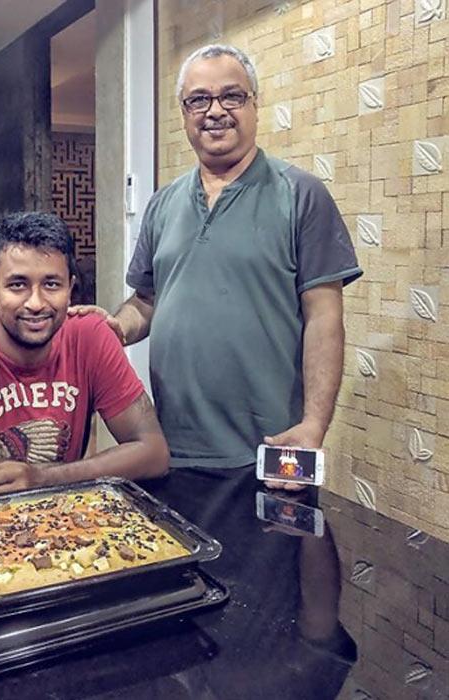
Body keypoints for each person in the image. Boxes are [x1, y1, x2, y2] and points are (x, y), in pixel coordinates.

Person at [71, 44, 362, 487]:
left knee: (276, 554)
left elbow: (325, 318)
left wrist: (314, 426)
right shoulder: (162, 204)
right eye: (198, 100)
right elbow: (148, 300)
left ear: (254, 105)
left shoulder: (301, 195)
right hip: (171, 447)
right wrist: (115, 327)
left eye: (232, 96)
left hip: (270, 449)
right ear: (184, 113)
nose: (215, 111)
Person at [0, 212, 169, 500]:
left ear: (70, 289)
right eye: (17, 285)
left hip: (67, 524)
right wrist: (87, 472)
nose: (36, 303)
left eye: (51, 284)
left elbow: (154, 453)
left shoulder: (91, 335)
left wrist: (42, 477)